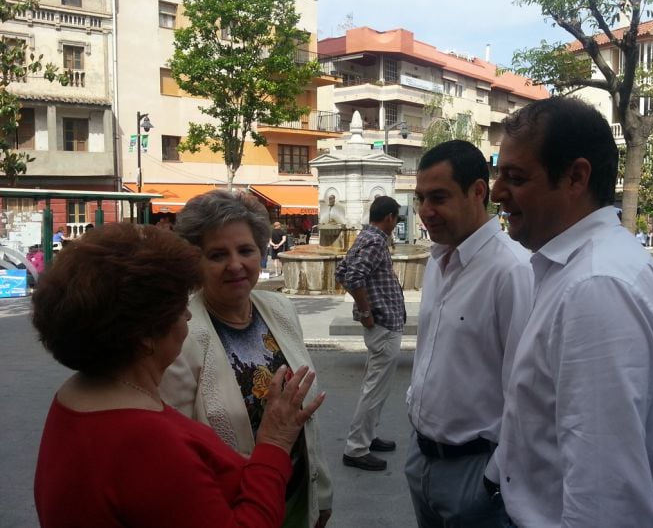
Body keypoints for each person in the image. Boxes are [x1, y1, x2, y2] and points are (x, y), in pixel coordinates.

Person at [33, 223, 324, 528]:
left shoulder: (75, 398)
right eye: (178, 307)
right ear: (145, 335)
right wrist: (275, 443)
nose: (187, 314)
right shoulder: (147, 442)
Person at [487, 97, 653, 528]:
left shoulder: (596, 285)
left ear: (576, 176)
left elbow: (604, 494)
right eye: (498, 174)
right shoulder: (571, 268)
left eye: (515, 177)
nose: (496, 193)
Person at [159, 191, 333, 528]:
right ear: (195, 261)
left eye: (246, 250)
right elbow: (177, 448)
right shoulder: (181, 333)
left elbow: (303, 418)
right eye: (217, 254)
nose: (235, 264)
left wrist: (321, 493)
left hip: (296, 496)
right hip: (232, 509)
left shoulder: (280, 309)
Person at [406, 139, 534, 527]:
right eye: (421, 198)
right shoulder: (438, 260)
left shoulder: (513, 270)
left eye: (439, 197)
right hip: (422, 460)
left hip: (477, 472)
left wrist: (493, 476)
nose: (426, 212)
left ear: (478, 191)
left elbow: (527, 391)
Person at [335, 195, 406, 472]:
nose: (396, 222)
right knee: (375, 389)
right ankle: (356, 448)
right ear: (388, 217)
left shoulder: (366, 237)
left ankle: (367, 436)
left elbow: (342, 271)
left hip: (382, 323)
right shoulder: (375, 241)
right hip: (383, 324)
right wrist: (366, 311)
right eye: (396, 218)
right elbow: (352, 277)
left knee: (375, 386)